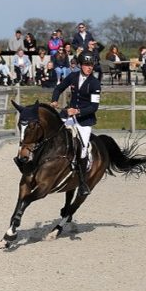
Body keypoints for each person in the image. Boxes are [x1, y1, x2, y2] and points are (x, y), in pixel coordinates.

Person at [51, 52, 101, 197]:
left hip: (84, 121)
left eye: (91, 65)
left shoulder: (95, 83)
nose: (89, 68)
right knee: (53, 135)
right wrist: (54, 100)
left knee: (83, 148)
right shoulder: (73, 76)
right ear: (80, 65)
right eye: (86, 65)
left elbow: (93, 107)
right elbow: (59, 88)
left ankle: (83, 181)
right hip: (68, 116)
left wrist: (77, 111)